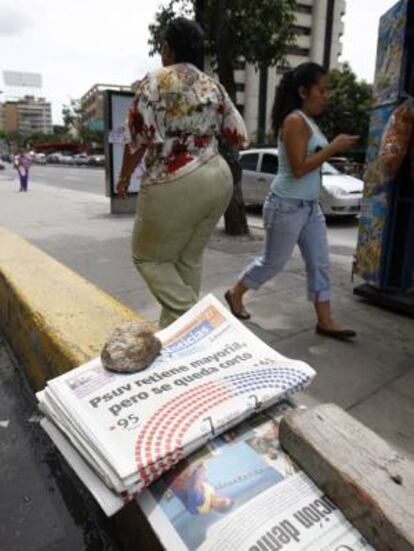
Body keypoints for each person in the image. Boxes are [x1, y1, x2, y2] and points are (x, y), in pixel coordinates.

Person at [117, 17, 248, 328]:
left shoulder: (153, 81)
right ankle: (176, 334)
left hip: (175, 177)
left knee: (148, 258)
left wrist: (124, 178)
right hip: (218, 177)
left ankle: (205, 324)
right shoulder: (212, 85)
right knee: (187, 259)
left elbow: (136, 141)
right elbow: (239, 136)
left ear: (167, 48)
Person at [225, 62, 359, 340]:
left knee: (320, 263)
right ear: (302, 91)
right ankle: (235, 293)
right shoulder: (295, 121)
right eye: (322, 90)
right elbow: (299, 168)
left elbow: (310, 160)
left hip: (310, 208)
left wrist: (330, 152)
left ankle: (325, 320)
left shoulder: (308, 121)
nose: (326, 96)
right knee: (273, 263)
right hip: (286, 205)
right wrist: (333, 147)